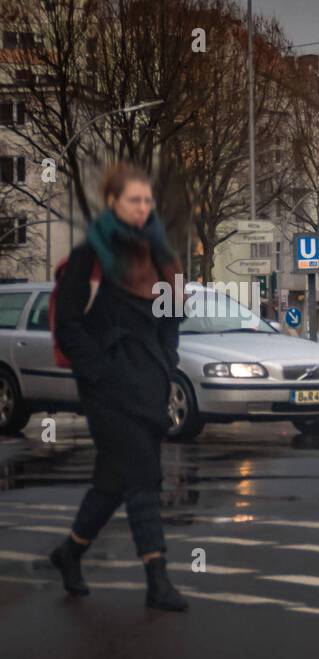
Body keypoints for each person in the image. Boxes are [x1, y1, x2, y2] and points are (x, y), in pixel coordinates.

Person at [48, 163, 189, 612]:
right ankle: (157, 578)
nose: (143, 208)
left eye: (147, 201)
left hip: (149, 382)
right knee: (144, 474)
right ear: (113, 203)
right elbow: (69, 323)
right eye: (134, 200)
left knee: (113, 480)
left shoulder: (163, 257)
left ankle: (69, 553)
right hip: (107, 388)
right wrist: (99, 371)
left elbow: (171, 321)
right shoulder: (92, 253)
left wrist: (167, 365)